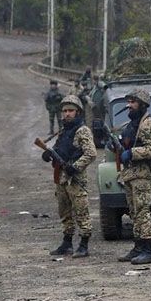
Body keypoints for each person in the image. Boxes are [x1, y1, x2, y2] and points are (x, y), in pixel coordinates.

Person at [42, 95, 97, 258]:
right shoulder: (64, 130)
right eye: (65, 111)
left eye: (71, 111)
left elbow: (91, 153)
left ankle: (84, 244)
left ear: (78, 112)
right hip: (62, 178)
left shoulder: (82, 130)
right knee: (64, 211)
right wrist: (49, 154)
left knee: (81, 211)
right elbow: (60, 150)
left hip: (76, 179)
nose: (67, 114)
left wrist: (75, 167)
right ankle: (67, 243)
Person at [115, 89, 151, 264]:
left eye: (133, 102)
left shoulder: (148, 123)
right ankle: (138, 247)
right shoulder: (132, 124)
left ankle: (149, 251)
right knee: (134, 213)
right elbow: (127, 144)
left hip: (142, 174)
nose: (129, 105)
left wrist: (131, 153)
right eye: (129, 102)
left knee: (142, 212)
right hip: (130, 174)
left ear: (142, 104)